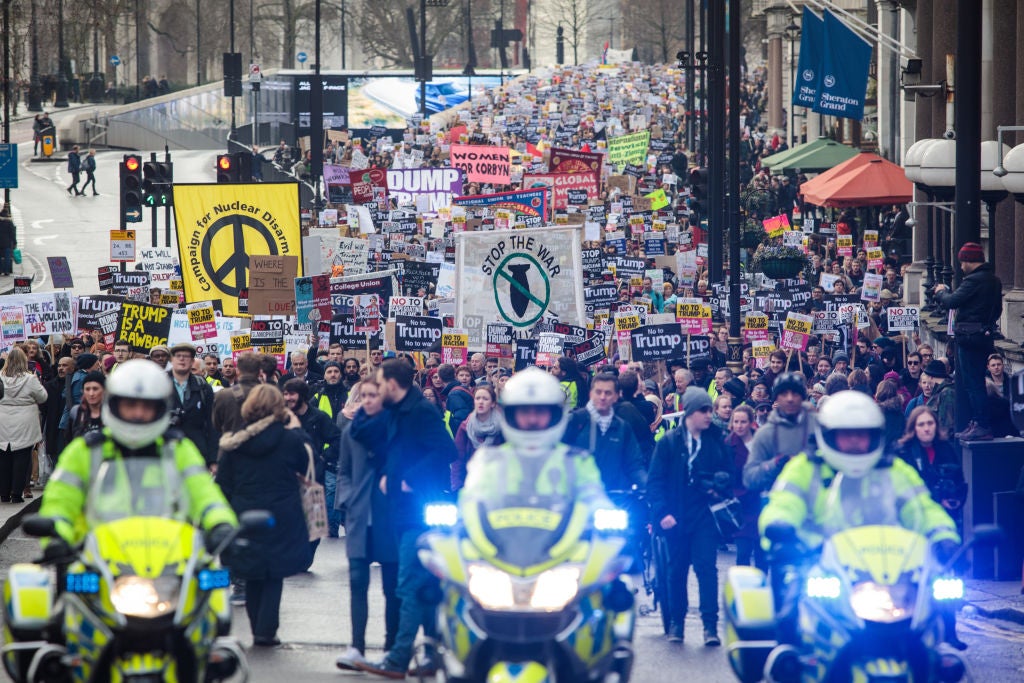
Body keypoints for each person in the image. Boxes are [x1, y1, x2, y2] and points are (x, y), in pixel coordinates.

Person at [759, 391, 960, 645]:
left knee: (934, 617)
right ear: (829, 436)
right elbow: (783, 503)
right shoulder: (806, 467)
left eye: (862, 434)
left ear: (874, 436)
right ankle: (787, 654)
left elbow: (922, 507)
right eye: (846, 434)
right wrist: (781, 528)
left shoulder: (893, 469)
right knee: (793, 620)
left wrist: (944, 536)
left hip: (884, 567)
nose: (855, 440)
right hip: (818, 561)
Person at [39, 359, 237, 552]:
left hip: (169, 559)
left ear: (160, 408)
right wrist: (57, 533)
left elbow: (205, 494)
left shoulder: (178, 448)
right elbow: (60, 499)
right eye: (130, 405)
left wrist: (221, 523)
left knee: (213, 583)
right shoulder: (87, 450)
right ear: (114, 405)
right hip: (97, 557)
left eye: (147, 406)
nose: (138, 413)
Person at [353, 359, 456, 679]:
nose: (377, 388)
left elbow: (446, 450)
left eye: (380, 384)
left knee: (408, 584)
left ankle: (398, 659)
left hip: (420, 510)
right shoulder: (395, 409)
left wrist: (407, 477)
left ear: (393, 384)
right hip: (401, 509)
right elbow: (366, 434)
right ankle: (431, 654)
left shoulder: (420, 410)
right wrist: (389, 474)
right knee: (423, 584)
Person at [216, 384, 313, 647]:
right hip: (282, 512)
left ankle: (258, 625)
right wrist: (297, 430)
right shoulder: (290, 439)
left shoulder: (236, 441)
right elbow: (307, 465)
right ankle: (266, 631)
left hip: (244, 511)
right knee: (274, 573)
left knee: (252, 571)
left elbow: (223, 482)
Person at [647, 386, 733, 646]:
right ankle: (676, 622)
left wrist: (719, 483)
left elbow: (729, 474)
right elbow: (656, 482)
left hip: (704, 515)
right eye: (704, 410)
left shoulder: (716, 440)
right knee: (676, 570)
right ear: (690, 413)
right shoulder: (669, 442)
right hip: (675, 516)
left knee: (706, 568)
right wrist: (662, 513)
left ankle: (710, 626)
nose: (709, 415)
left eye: (710, 410)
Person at [335, 378, 400, 671]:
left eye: (374, 395)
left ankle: (391, 647)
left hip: (389, 516)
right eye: (363, 396)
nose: (368, 400)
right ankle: (356, 646)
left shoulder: (396, 428)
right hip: (360, 516)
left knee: (391, 587)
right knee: (357, 583)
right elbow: (344, 470)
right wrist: (347, 500)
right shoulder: (351, 431)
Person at [933, 242, 1003, 441]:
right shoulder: (994, 281)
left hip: (968, 337)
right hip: (983, 335)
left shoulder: (973, 280)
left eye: (963, 262)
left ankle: (981, 424)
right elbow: (998, 310)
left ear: (970, 261)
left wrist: (940, 291)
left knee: (973, 384)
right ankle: (978, 422)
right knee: (976, 381)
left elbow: (951, 301)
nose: (961, 267)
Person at [562, 372, 647, 493]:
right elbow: (558, 457)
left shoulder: (622, 427)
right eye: (598, 392)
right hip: (580, 497)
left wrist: (649, 487)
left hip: (615, 497)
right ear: (590, 394)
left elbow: (634, 465)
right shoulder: (575, 421)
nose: (602, 397)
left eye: (608, 393)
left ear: (616, 396)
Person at [742, 373, 816, 495]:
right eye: (784, 394)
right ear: (776, 398)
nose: (790, 398)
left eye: (795, 393)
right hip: (780, 502)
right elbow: (749, 478)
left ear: (802, 397)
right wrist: (775, 463)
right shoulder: (766, 433)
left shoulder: (819, 427)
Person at [0, 349, 47, 503]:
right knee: (22, 458)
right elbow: (43, 396)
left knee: (4, 458)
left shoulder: (0, 377)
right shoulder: (30, 379)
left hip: (3, 420)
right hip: (24, 421)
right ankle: (16, 493)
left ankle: (4, 493)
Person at [725, 405, 763, 569]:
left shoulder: (760, 442)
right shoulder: (728, 444)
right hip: (740, 504)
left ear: (750, 423)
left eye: (743, 422)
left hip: (760, 502)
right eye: (736, 422)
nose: (739, 426)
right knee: (743, 553)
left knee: (762, 554)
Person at [167, 343, 218, 465]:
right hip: (166, 452)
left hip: (197, 452)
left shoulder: (203, 388)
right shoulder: (158, 384)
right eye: (178, 356)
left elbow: (212, 425)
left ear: (192, 361)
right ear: (171, 360)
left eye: (186, 356)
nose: (182, 359)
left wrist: (213, 460)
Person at [451, 384, 504, 490]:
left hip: (497, 483)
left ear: (493, 403)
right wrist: (457, 485)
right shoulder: (465, 426)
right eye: (477, 398)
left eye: (485, 399)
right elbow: (458, 458)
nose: (481, 402)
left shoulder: (502, 427)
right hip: (471, 482)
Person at [70, 371, 105, 439]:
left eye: (95, 389)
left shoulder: (113, 412)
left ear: (104, 390)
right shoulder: (77, 412)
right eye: (87, 389)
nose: (91, 393)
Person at [0, 205, 16, 276]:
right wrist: (15, 242)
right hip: (7, 243)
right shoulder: (9, 222)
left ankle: (0, 270)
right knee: (7, 257)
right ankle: (6, 271)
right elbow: (12, 233)